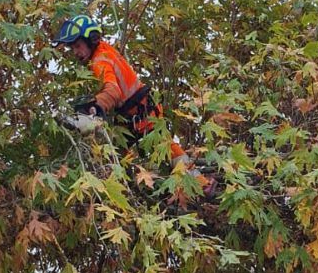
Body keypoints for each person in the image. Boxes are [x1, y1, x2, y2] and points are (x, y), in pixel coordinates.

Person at [52, 15, 212, 193]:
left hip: (139, 112)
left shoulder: (100, 61)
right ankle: (171, 186)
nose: (75, 52)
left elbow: (113, 91)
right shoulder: (105, 50)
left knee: (126, 156)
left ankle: (199, 184)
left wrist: (95, 108)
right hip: (138, 110)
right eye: (72, 48)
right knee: (138, 152)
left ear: (91, 40)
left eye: (78, 46)